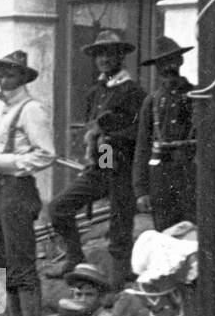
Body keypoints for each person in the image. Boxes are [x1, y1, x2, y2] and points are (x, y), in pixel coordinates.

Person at [48, 31, 145, 289]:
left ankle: (118, 280)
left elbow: (143, 132)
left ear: (120, 57)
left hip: (123, 166)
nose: (103, 59)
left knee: (119, 226)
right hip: (100, 165)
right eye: (99, 54)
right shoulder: (95, 92)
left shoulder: (133, 91)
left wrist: (113, 138)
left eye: (109, 53)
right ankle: (74, 257)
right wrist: (94, 142)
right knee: (59, 207)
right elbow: (92, 126)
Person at [0, 49, 56, 316]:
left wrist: (2, 161)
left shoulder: (32, 109)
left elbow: (46, 154)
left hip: (19, 191)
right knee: (7, 261)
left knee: (22, 262)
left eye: (9, 73)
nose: (2, 78)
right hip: (1, 189)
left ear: (23, 77)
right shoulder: (7, 110)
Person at [133, 35, 215, 231]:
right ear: (156, 67)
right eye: (161, 62)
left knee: (196, 234)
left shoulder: (201, 96)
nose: (167, 67)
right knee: (166, 238)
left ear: (180, 61)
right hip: (160, 179)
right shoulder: (151, 101)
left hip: (194, 176)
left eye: (171, 60)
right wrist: (140, 190)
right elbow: (142, 148)